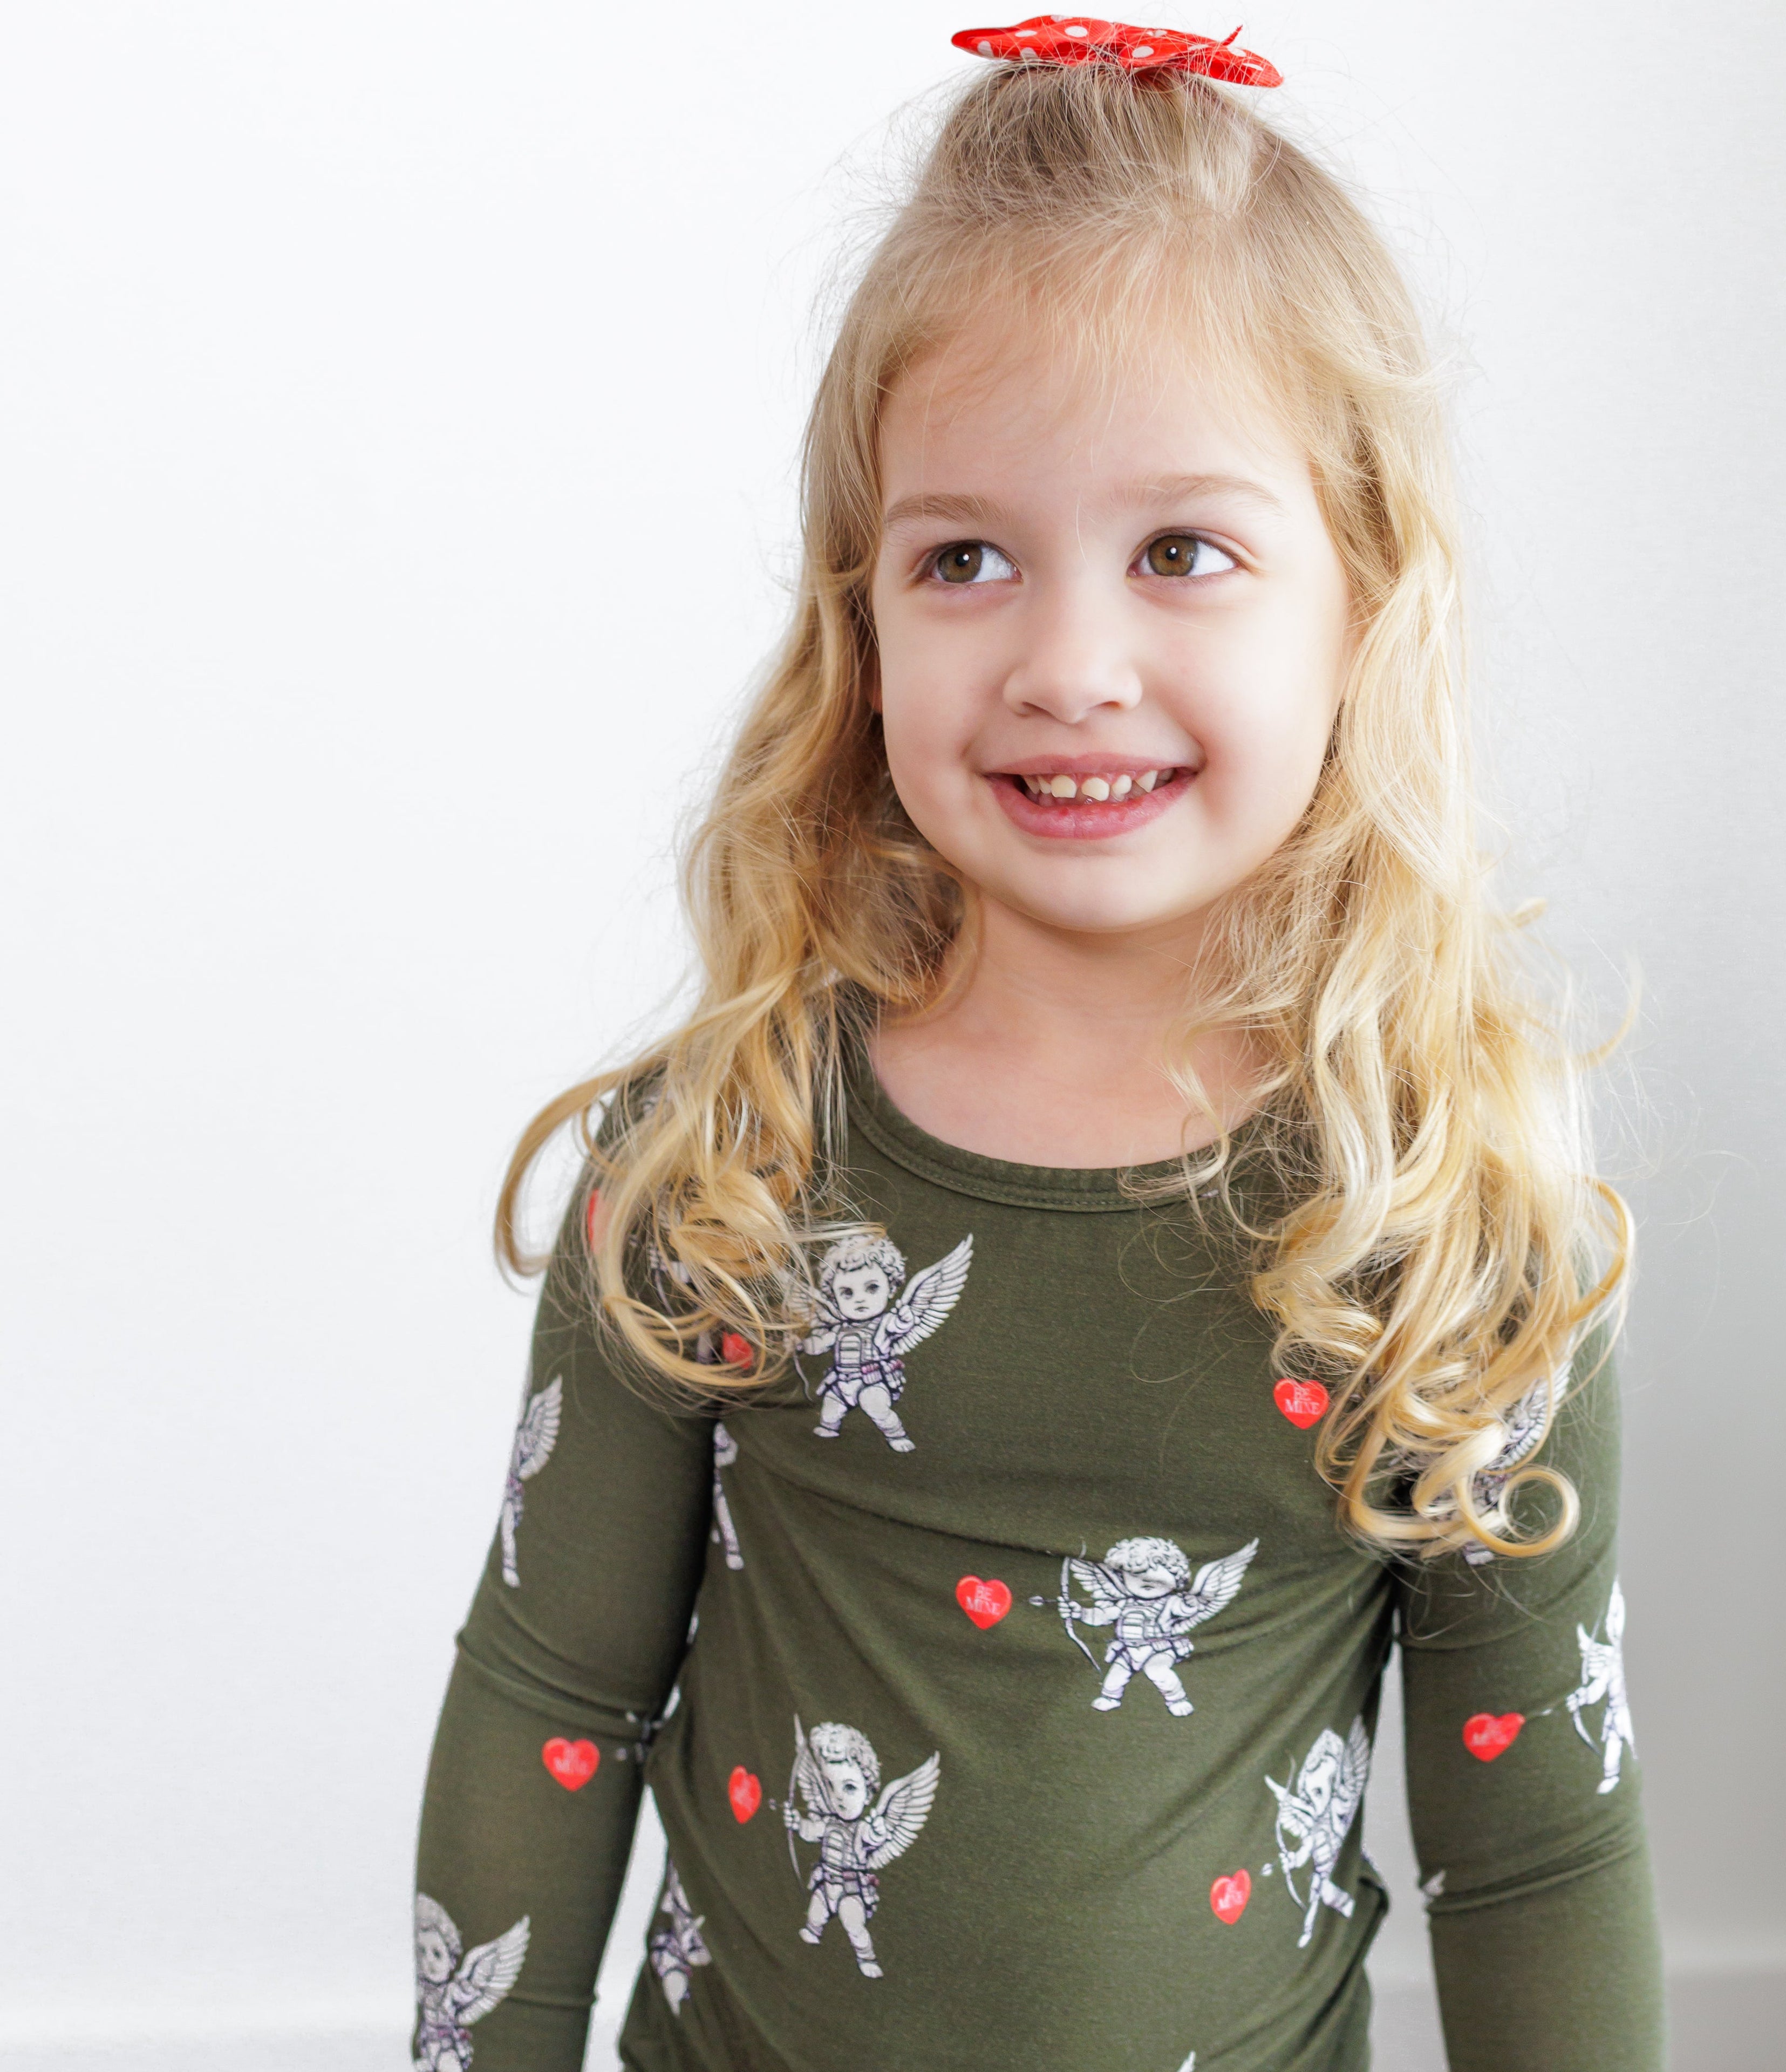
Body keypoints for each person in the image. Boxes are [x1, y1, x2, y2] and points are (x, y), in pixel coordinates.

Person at [414, 21, 1664, 2071]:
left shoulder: (1449, 1221)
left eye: (1184, 550)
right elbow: (554, 1706)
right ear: (864, 620)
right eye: (967, 557)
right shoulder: (722, 1160)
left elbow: (1539, 1848)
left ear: (1362, 604)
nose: (1070, 665)